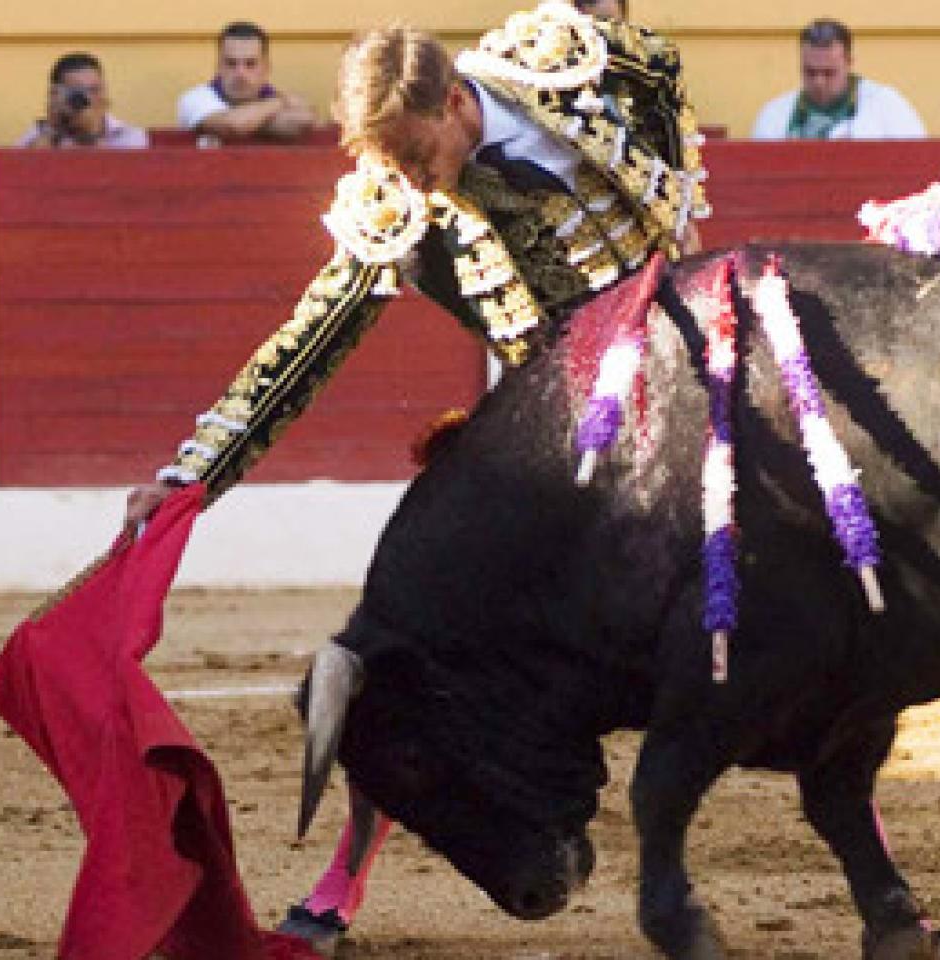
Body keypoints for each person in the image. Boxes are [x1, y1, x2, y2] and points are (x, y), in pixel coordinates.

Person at [122, 3, 709, 949]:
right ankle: (343, 877)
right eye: (381, 158)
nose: (398, 177)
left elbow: (660, 70)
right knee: (409, 652)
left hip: (697, 397)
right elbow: (307, 341)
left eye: (409, 150)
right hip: (557, 445)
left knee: (814, 607)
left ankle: (879, 876)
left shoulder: (569, 72)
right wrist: (190, 476)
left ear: (457, 103)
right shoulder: (396, 202)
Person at [750, 18, 924, 140]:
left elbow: (918, 162)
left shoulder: (887, 106)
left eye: (829, 73)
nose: (819, 82)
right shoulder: (775, 114)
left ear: (849, 63)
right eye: (810, 72)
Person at [176, 21, 317, 143]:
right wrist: (279, 102)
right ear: (218, 67)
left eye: (250, 64)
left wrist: (249, 123)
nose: (240, 74)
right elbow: (232, 126)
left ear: (266, 68)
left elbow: (304, 120)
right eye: (231, 63)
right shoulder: (195, 98)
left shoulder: (271, 96)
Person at [17, 52, 148, 150]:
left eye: (95, 90)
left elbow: (115, 174)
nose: (89, 99)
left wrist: (92, 133)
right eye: (78, 92)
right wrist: (53, 128)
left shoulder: (128, 134)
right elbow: (26, 167)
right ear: (55, 94)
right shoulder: (40, 134)